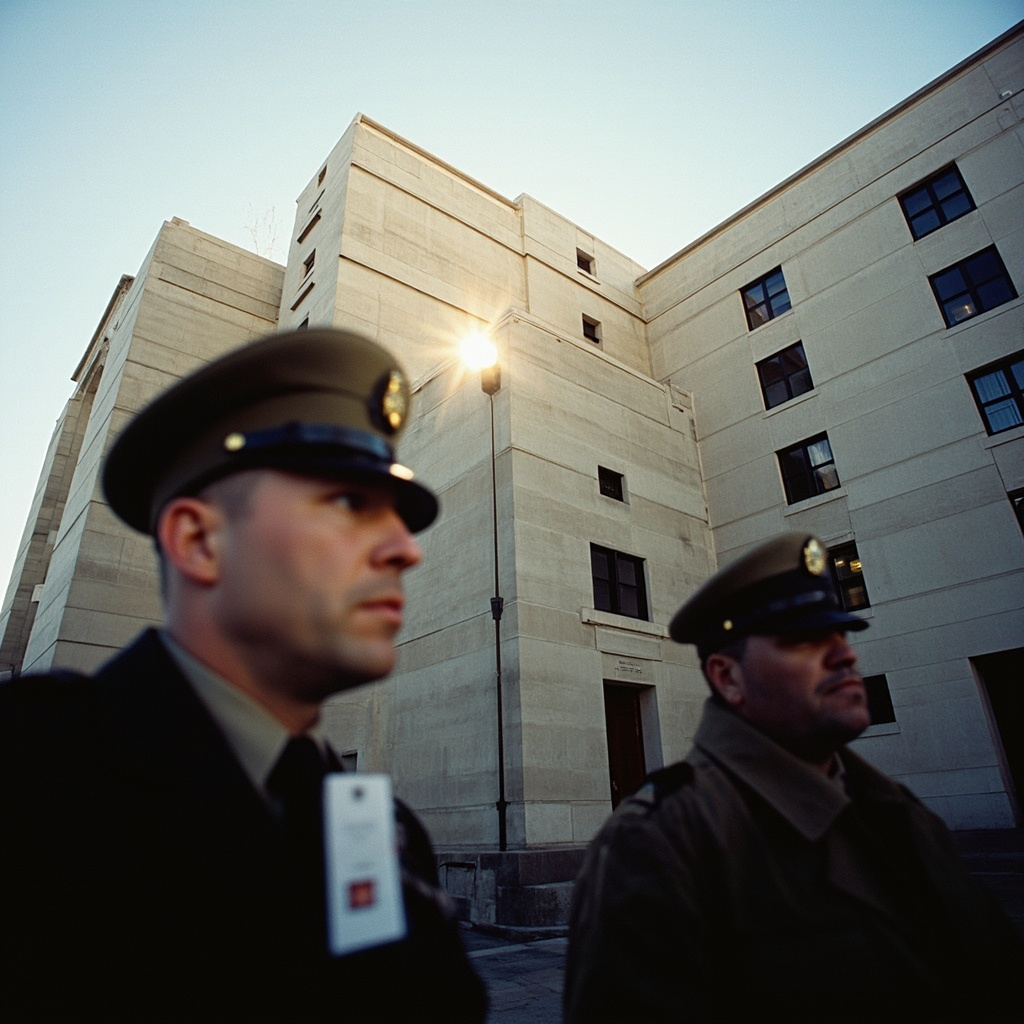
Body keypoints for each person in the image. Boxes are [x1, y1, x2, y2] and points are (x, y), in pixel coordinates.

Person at [0, 328, 486, 1023]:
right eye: (350, 505)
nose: (406, 549)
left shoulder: (383, 831)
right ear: (199, 541)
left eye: (400, 516)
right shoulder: (29, 779)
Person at [565, 532, 1021, 1023]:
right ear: (728, 677)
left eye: (840, 635)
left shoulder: (900, 812)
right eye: (806, 640)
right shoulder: (659, 843)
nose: (845, 656)